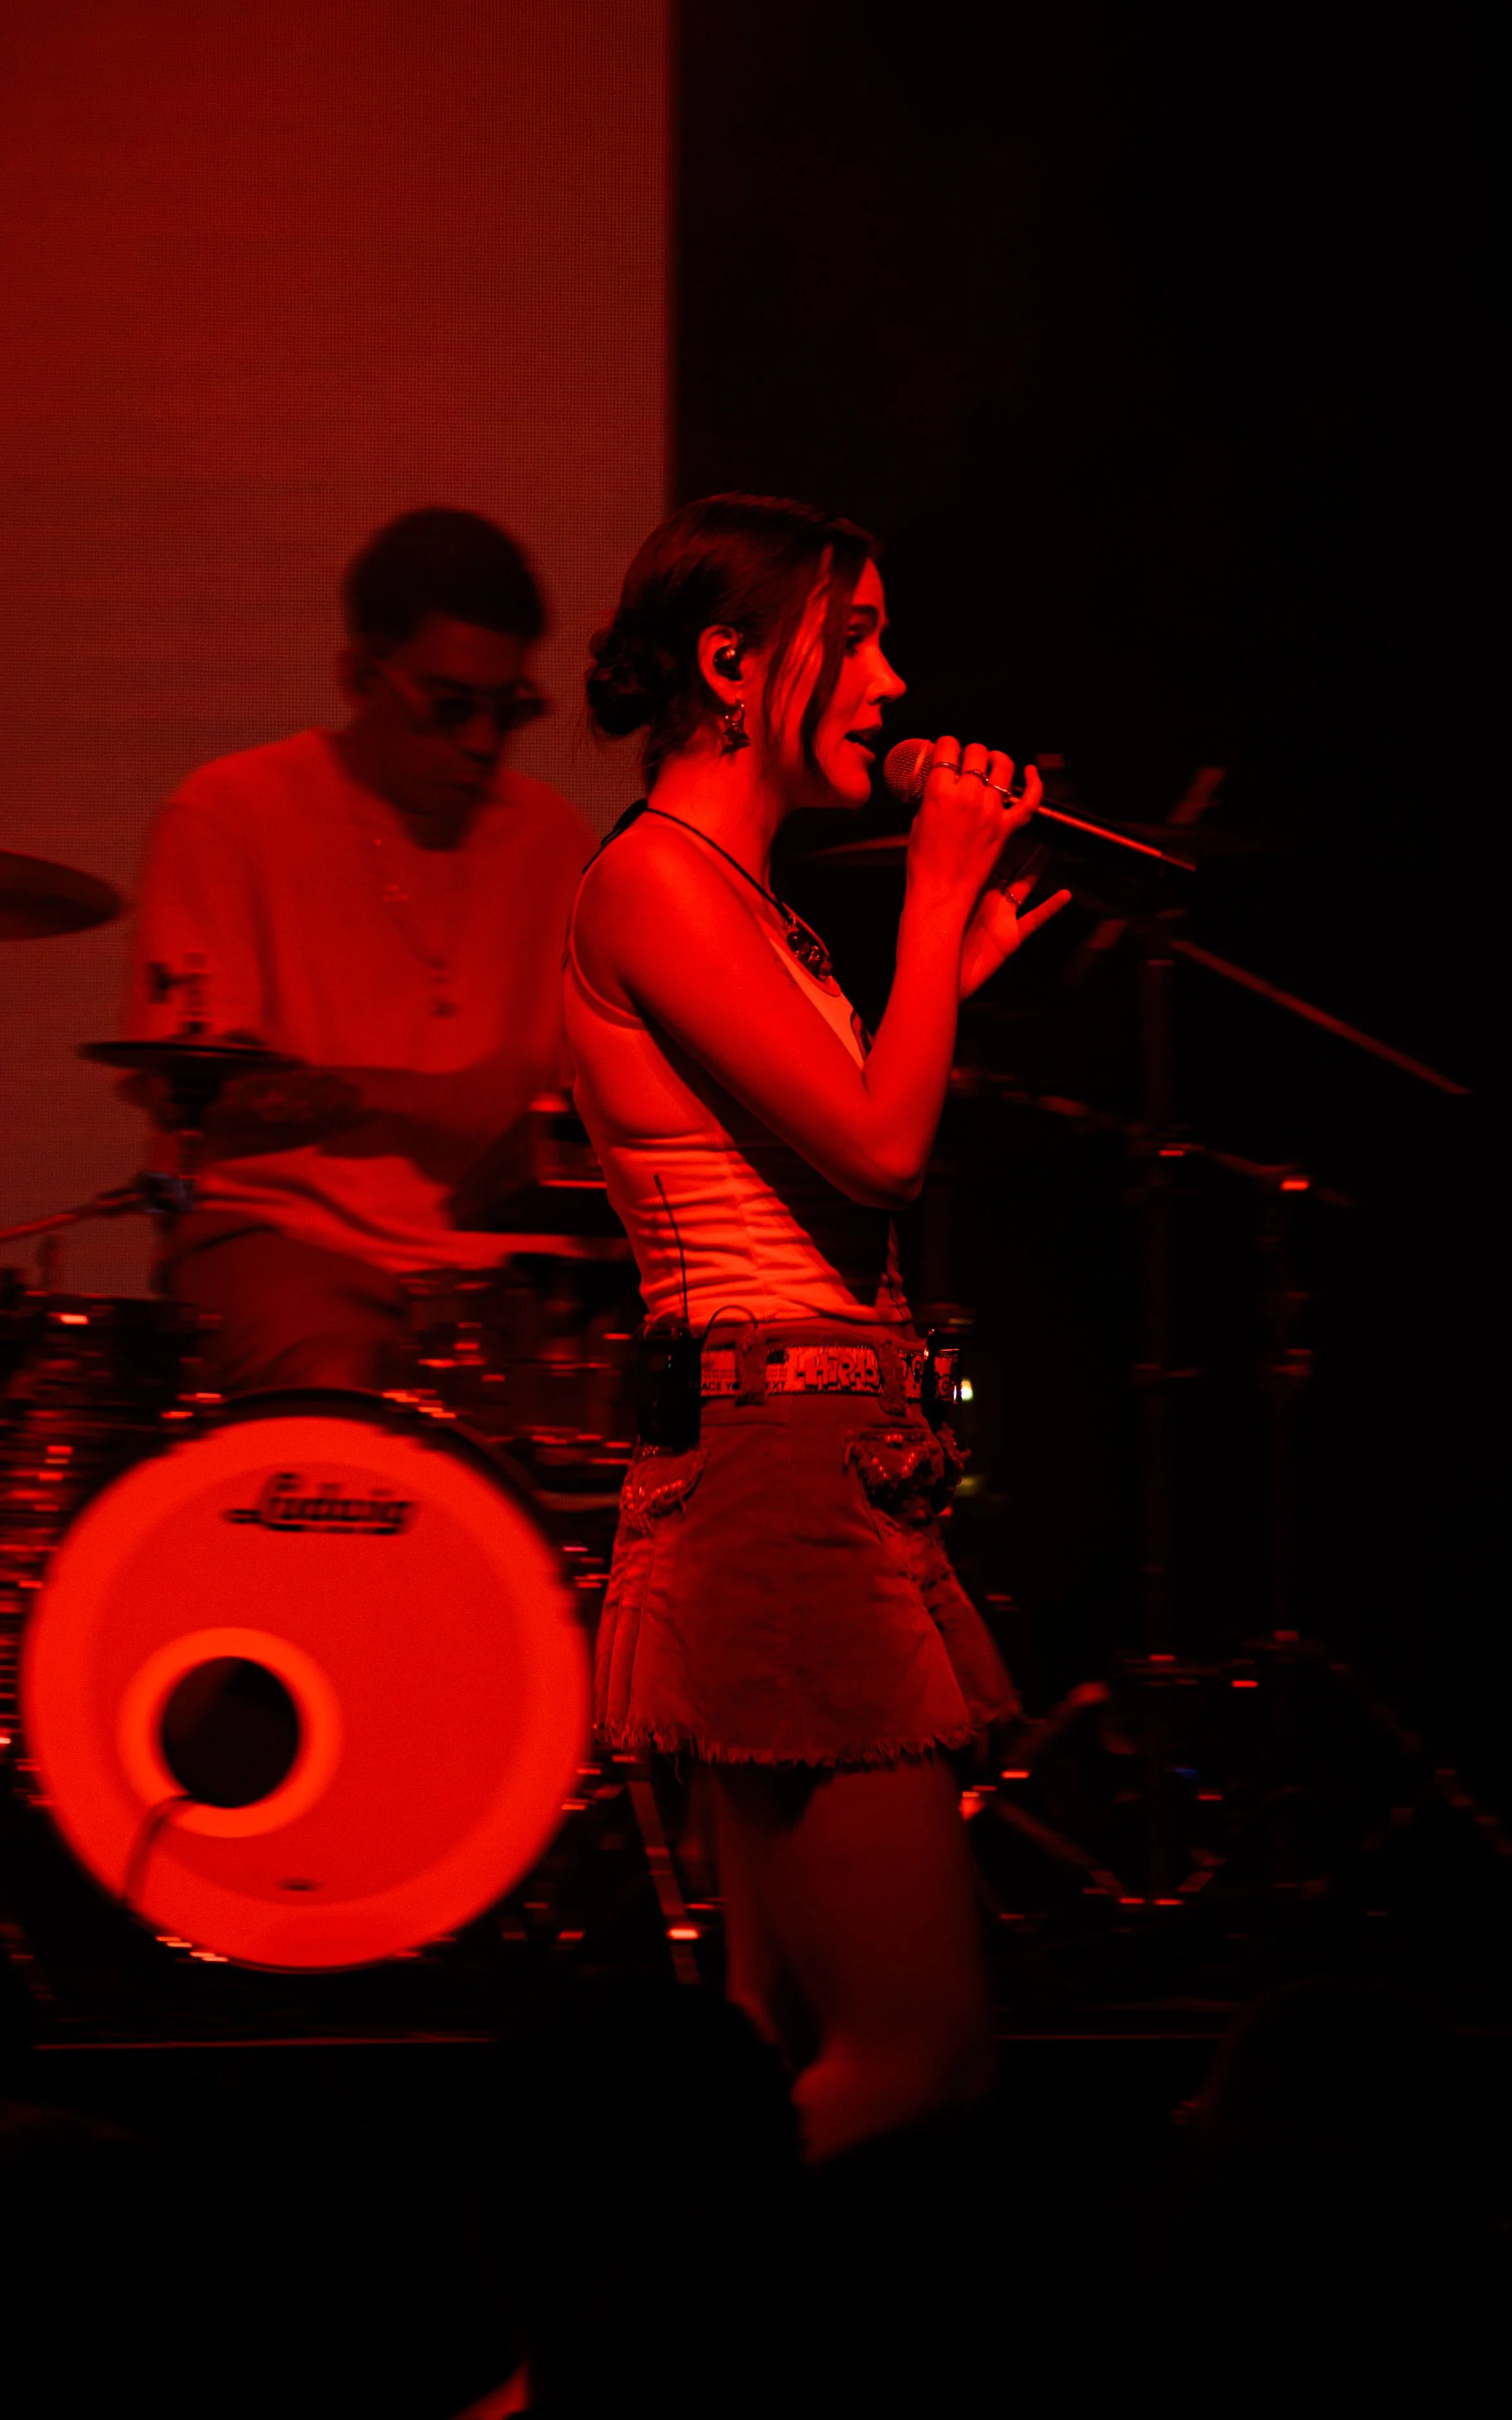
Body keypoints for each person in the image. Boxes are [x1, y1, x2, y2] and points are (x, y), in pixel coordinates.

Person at [567, 493, 1069, 2159]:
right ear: (729, 662)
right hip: (777, 1472)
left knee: (773, 2049)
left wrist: (950, 969)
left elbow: (828, 1145)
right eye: (852, 636)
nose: (892, 678)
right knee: (916, 2058)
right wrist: (930, 896)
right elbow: (880, 1147)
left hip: (815, 1456)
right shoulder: (653, 881)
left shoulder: (731, 895)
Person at [123, 507, 594, 1391]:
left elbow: (571, 1113)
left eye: (510, 710)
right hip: (283, 1237)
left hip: (507, 1269)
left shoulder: (553, 841)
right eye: (450, 708)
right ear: (357, 676)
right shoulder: (229, 814)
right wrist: (447, 1098)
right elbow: (197, 1091)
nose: (482, 744)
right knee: (331, 1386)